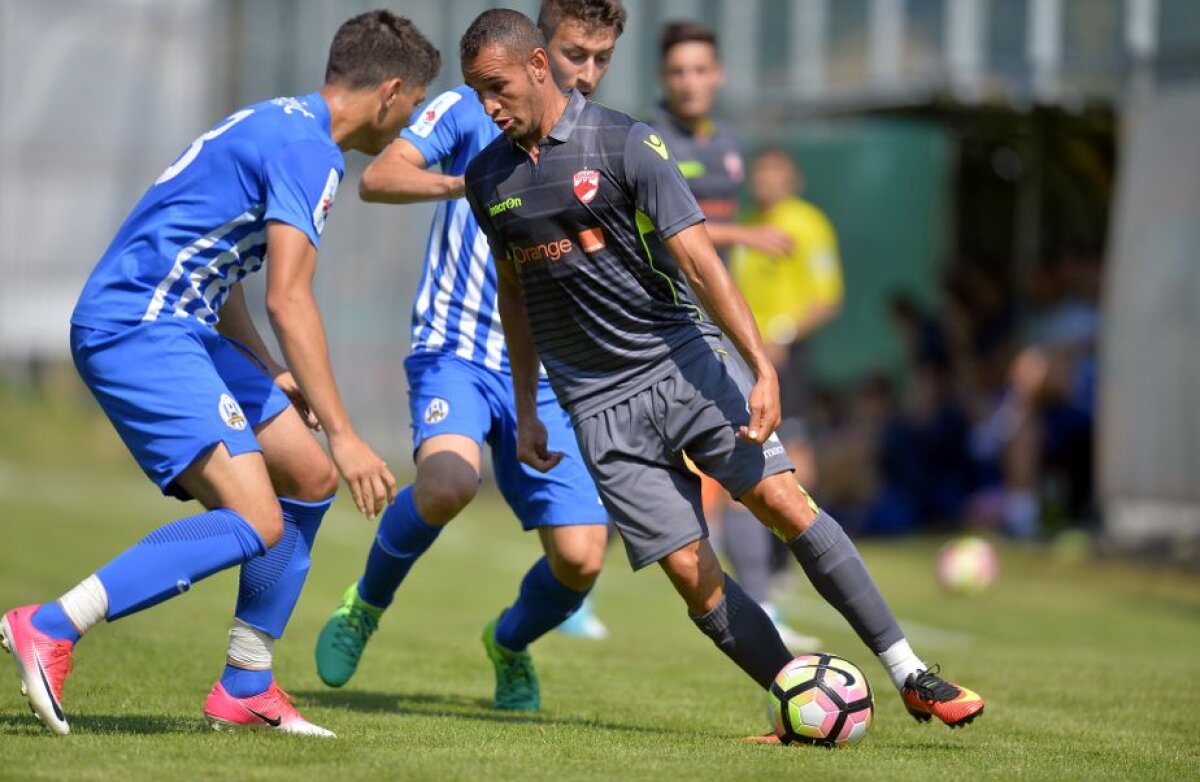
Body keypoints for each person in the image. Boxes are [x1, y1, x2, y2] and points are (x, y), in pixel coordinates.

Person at [459, 8, 985, 735]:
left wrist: (759, 368)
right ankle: (796, 697)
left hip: (684, 365)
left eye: (496, 86)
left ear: (537, 67)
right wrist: (527, 406)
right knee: (688, 574)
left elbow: (702, 263)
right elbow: (514, 294)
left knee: (782, 501)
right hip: (597, 406)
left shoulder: (623, 143)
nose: (487, 105)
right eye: (476, 90)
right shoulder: (486, 178)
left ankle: (910, 673)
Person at [0, 11, 440, 737]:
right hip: (137, 327)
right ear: (391, 89)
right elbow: (289, 297)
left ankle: (245, 685)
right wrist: (347, 432)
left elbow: (225, 268)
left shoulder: (279, 121)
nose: (411, 123)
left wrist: (266, 369)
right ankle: (49, 625)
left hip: (180, 324)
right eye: (417, 103)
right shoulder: (310, 152)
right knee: (259, 517)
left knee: (308, 477)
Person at [314, 0, 628, 712]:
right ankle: (365, 603)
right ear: (539, 51)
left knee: (580, 559)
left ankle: (509, 643)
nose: (587, 73)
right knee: (450, 483)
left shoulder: (601, 141)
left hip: (545, 373)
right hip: (453, 347)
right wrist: (477, 187)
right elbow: (379, 177)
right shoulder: (469, 109)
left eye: (601, 59)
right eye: (575, 54)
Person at [649, 22, 812, 649]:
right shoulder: (650, 141)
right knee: (733, 474)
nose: (690, 81)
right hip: (665, 327)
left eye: (700, 70)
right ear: (666, 80)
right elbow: (672, 233)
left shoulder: (729, 149)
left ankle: (763, 600)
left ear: (717, 76)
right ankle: (749, 604)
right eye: (678, 71)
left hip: (716, 327)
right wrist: (745, 236)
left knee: (752, 466)